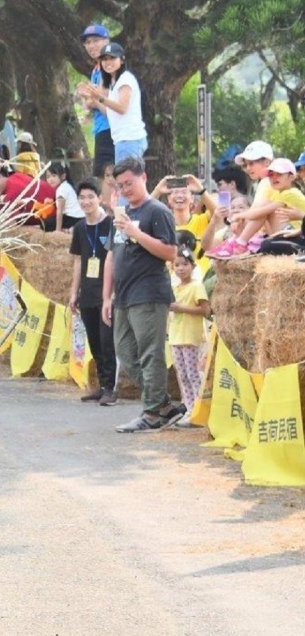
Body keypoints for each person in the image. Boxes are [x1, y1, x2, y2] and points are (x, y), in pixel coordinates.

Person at [101, 155, 182, 432]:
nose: (125, 190)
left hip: (148, 292)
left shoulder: (157, 211)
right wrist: (106, 296)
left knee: (150, 353)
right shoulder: (123, 214)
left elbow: (171, 252)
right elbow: (111, 256)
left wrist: (136, 233)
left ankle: (152, 412)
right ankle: (163, 405)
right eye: (120, 186)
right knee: (125, 352)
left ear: (143, 177)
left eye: (129, 183)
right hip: (122, 295)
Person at [68, 179, 117, 406]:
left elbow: (116, 258)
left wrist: (113, 292)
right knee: (94, 341)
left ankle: (111, 388)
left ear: (100, 198)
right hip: (87, 291)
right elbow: (78, 261)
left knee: (107, 341)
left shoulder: (111, 224)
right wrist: (73, 292)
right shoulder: (79, 228)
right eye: (82, 198)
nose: (86, 202)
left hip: (106, 292)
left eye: (90, 197)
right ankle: (102, 384)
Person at [207, 156, 305, 259]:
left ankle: (240, 243)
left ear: (291, 177)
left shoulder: (290, 193)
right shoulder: (278, 193)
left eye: (279, 174)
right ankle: (240, 242)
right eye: (271, 175)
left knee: (266, 243)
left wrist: (239, 215)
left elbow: (261, 212)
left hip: (298, 235)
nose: (274, 178)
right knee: (264, 208)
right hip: (290, 232)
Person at [82, 42, 146, 163]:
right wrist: (94, 98)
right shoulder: (113, 82)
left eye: (112, 58)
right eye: (104, 59)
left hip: (130, 138)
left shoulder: (125, 79)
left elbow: (122, 108)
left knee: (129, 179)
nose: (108, 62)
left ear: (122, 60)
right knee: (123, 179)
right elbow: (110, 113)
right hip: (121, 139)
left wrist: (100, 98)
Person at [168, 249, 210, 421]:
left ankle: (199, 409)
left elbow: (205, 310)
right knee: (183, 375)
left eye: (185, 264)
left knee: (193, 374)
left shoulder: (197, 286)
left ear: (193, 266)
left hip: (191, 338)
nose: (181, 269)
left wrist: (181, 309)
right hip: (176, 336)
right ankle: (189, 408)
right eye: (177, 265)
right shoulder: (174, 288)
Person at [75, 24, 115, 194]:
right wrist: (88, 97)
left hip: (110, 129)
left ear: (107, 40)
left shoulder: (110, 66)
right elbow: (89, 103)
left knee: (109, 179)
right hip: (100, 128)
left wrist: (90, 97)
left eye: (96, 40)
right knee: (100, 178)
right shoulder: (96, 69)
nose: (91, 45)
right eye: (88, 42)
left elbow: (102, 98)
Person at [45, 163, 84, 231]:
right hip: (80, 218)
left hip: (74, 218)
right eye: (48, 177)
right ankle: (70, 228)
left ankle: (69, 229)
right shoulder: (65, 186)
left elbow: (60, 211)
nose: (50, 179)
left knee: (47, 224)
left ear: (63, 176)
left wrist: (58, 230)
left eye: (54, 176)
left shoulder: (62, 190)